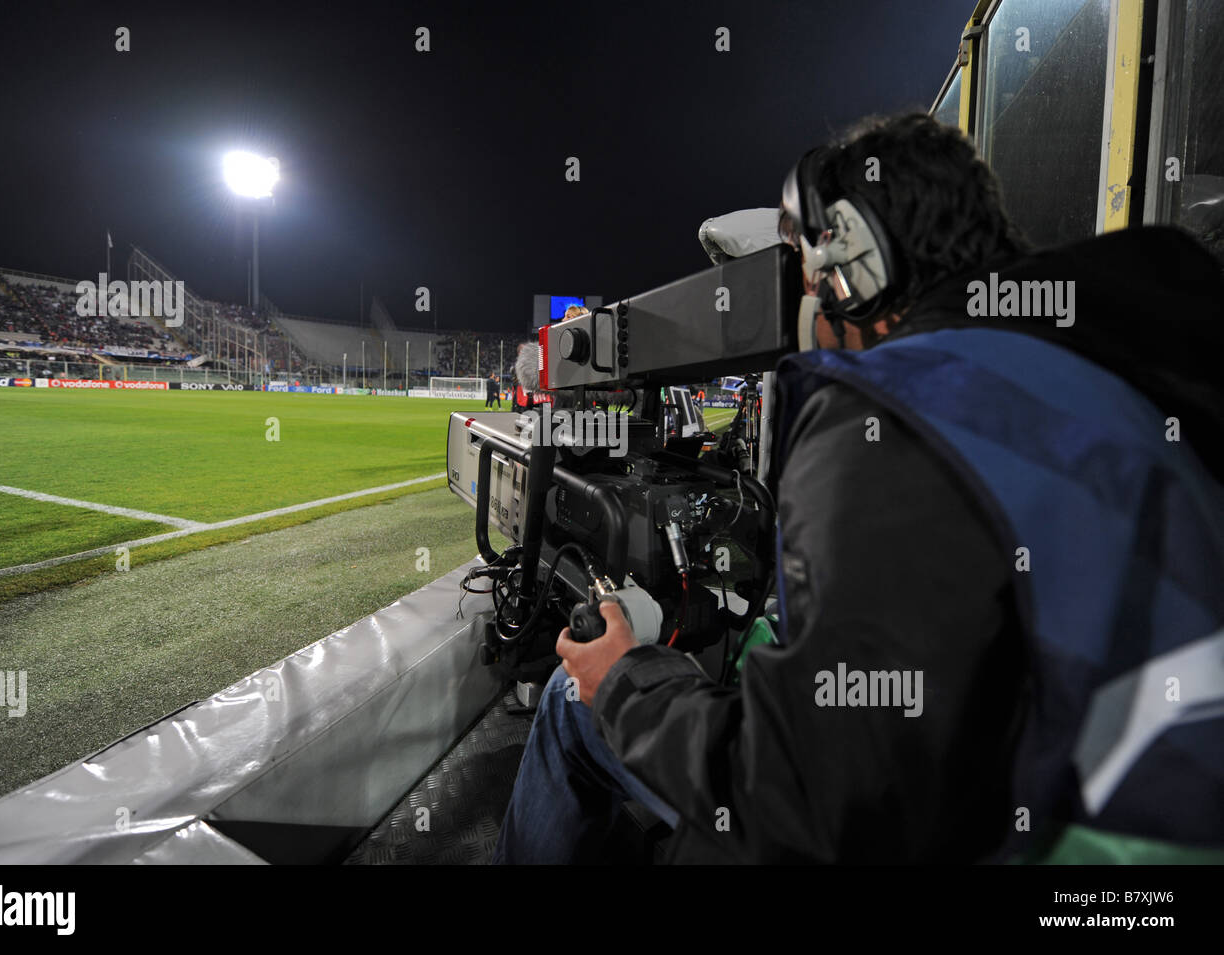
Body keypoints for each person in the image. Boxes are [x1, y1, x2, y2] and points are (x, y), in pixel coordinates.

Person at [493, 113, 1224, 864]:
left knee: (572, 704)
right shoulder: (1126, 365)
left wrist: (622, 682)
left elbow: (814, 803)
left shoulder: (901, 412)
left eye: (803, 276)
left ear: (852, 269)